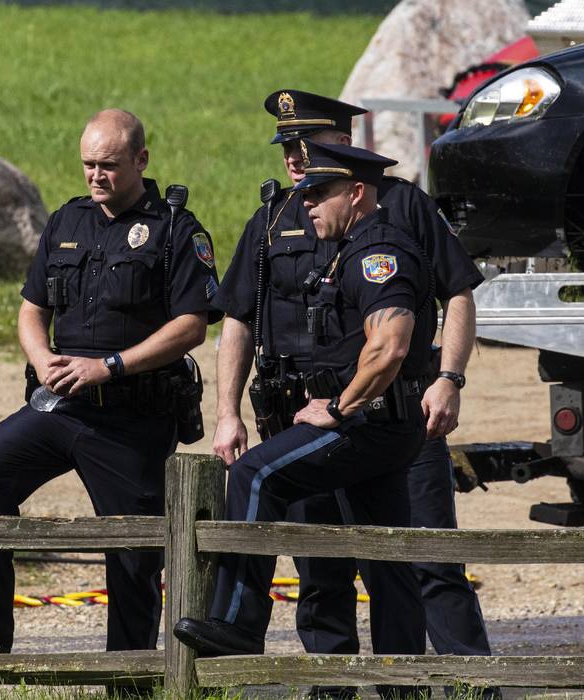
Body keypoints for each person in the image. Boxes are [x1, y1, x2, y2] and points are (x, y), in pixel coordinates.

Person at [0, 109, 220, 655]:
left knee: (132, 550)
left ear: (141, 160)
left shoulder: (176, 231)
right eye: (88, 165)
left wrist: (112, 365)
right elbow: (31, 308)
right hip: (61, 405)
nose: (96, 176)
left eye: (109, 166)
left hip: (132, 416)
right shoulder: (67, 221)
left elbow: (192, 325)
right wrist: (42, 354)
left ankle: (130, 668)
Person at [211, 90, 493, 698]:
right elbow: (238, 316)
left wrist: (450, 377)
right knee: (320, 570)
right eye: (288, 147)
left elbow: (459, 293)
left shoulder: (400, 206)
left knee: (425, 559)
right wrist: (227, 411)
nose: (294, 160)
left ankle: (469, 682)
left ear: (343, 144)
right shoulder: (274, 215)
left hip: (396, 408)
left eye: (305, 146)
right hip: (303, 415)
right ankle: (334, 688)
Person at [174, 141, 433, 699]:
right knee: (386, 555)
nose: (307, 203)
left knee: (255, 475)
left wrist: (340, 408)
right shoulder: (355, 245)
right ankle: (403, 686)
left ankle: (238, 627)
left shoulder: (377, 249)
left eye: (319, 193)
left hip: (368, 423)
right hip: (383, 424)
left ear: (357, 193)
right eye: (305, 193)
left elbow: (389, 347)